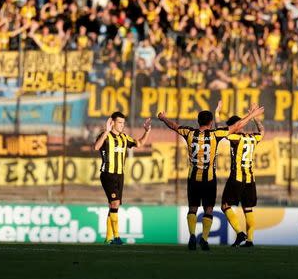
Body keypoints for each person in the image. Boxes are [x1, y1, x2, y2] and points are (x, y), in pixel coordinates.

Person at [157, 105, 264, 250]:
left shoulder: (188, 132)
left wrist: (163, 118)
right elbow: (238, 126)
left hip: (193, 178)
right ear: (211, 123)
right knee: (209, 209)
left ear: (198, 121)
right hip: (211, 179)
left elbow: (174, 126)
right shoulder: (216, 135)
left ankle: (192, 235)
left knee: (193, 208)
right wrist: (253, 116)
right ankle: (205, 239)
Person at [94, 111, 151, 245]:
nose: (122, 125)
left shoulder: (124, 138)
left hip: (120, 175)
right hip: (107, 174)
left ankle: (108, 237)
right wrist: (107, 131)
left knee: (114, 205)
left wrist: (147, 131)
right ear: (112, 122)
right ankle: (117, 237)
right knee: (115, 203)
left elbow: (140, 143)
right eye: (119, 122)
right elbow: (96, 147)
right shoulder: (105, 136)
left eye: (123, 123)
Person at [216, 102, 264, 247]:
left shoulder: (235, 138)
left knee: (225, 205)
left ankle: (239, 233)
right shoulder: (252, 138)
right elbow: (262, 131)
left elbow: (219, 130)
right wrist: (256, 118)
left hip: (237, 177)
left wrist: (217, 113)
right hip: (250, 179)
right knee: (248, 208)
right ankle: (250, 240)